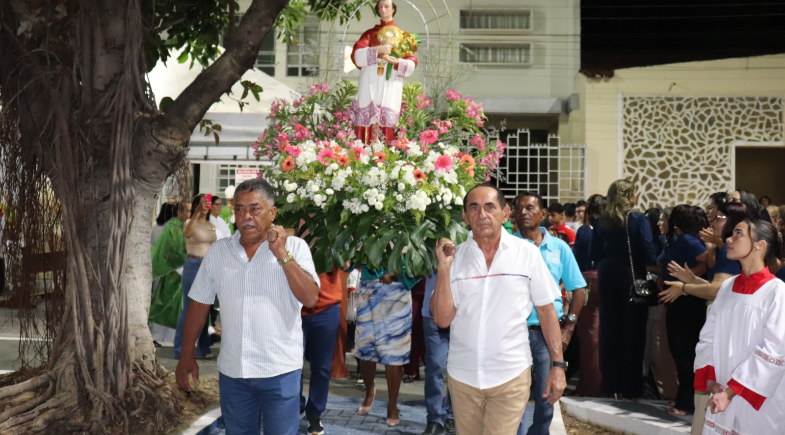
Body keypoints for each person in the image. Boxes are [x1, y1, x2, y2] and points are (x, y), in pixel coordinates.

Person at [176, 178, 320, 435]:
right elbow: (198, 304)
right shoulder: (220, 251)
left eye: (255, 208)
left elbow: (310, 298)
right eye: (240, 209)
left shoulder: (295, 248)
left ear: (272, 212)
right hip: (234, 372)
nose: (246, 216)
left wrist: (281, 255)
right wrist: (186, 354)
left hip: (280, 370)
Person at [431, 184, 565, 434]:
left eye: (489, 207)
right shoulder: (455, 258)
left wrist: (558, 366)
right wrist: (443, 269)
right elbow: (441, 319)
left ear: (505, 213)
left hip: (510, 374)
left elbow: (547, 312)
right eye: (474, 207)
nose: (482, 214)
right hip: (463, 377)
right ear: (465, 217)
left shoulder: (527, 253)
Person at [693, 218, 785, 434]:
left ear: (760, 245)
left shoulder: (777, 293)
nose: (728, 239)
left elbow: (774, 351)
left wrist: (731, 391)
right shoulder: (727, 287)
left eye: (738, 234)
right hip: (722, 390)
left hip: (757, 397)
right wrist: (712, 381)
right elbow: (708, 338)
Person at [512, 191, 586, 435]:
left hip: (547, 334)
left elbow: (579, 289)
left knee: (546, 396)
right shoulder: (507, 247)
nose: (524, 213)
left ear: (543, 214)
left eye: (530, 208)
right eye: (519, 208)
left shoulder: (559, 248)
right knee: (514, 396)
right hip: (515, 332)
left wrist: (569, 327)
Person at [590, 179, 657, 399]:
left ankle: (612, 384)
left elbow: (594, 253)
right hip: (631, 275)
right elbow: (648, 252)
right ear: (630, 196)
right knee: (633, 332)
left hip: (607, 275)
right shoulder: (637, 219)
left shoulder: (602, 221)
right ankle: (631, 386)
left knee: (609, 331)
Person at [657, 205, 708, 415]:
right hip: (681, 301)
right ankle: (684, 400)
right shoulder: (683, 239)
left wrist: (683, 280)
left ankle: (686, 403)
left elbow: (706, 263)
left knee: (684, 353)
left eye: (665, 219)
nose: (661, 223)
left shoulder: (688, 240)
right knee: (682, 353)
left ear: (675, 222)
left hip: (686, 303)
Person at [351, 0, 418, 144]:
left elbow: (412, 61)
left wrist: (398, 62)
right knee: (367, 119)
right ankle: (362, 154)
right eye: (380, 6)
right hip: (370, 82)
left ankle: (387, 157)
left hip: (390, 83)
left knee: (387, 120)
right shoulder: (369, 34)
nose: (383, 9)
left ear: (393, 9)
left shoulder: (402, 36)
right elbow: (357, 56)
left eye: (386, 6)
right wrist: (378, 50)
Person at [173, 194, 217, 360]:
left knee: (205, 308)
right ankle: (179, 348)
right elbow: (188, 232)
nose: (206, 205)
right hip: (194, 264)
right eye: (203, 203)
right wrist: (196, 213)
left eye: (208, 203)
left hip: (209, 266)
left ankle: (202, 347)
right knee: (188, 308)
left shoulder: (211, 225)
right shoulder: (189, 223)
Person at [301, 270, 343, 434]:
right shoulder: (292, 242)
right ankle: (293, 407)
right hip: (294, 307)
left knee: (322, 367)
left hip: (327, 307)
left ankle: (314, 414)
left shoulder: (334, 243)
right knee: (292, 364)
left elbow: (346, 263)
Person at [572, 194, 606, 397]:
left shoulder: (586, 230)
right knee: (602, 335)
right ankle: (603, 382)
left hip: (589, 280)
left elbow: (578, 257)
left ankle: (590, 385)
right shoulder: (612, 230)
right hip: (609, 280)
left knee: (588, 335)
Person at [149, 201, 190, 344]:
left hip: (168, 269)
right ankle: (158, 337)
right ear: (179, 213)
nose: (190, 214)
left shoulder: (176, 226)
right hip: (171, 270)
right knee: (165, 305)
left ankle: (165, 337)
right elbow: (175, 253)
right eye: (188, 211)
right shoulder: (173, 228)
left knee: (171, 306)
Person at [421, 272, 455, 435]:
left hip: (463, 314)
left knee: (459, 367)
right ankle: (435, 418)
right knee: (435, 364)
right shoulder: (427, 246)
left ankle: (452, 414)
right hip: (432, 312)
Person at [404, 278, 426, 383]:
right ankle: (411, 370)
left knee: (427, 330)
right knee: (411, 329)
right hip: (412, 288)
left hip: (430, 288)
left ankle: (430, 368)